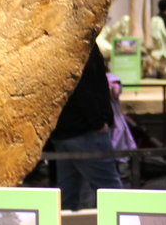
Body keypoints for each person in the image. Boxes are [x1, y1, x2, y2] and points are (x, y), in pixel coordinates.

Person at [48, 46, 125, 210]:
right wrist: (98, 123)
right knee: (110, 190)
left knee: (68, 194)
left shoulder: (63, 46)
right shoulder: (79, 48)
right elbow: (84, 88)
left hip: (65, 129)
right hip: (84, 130)